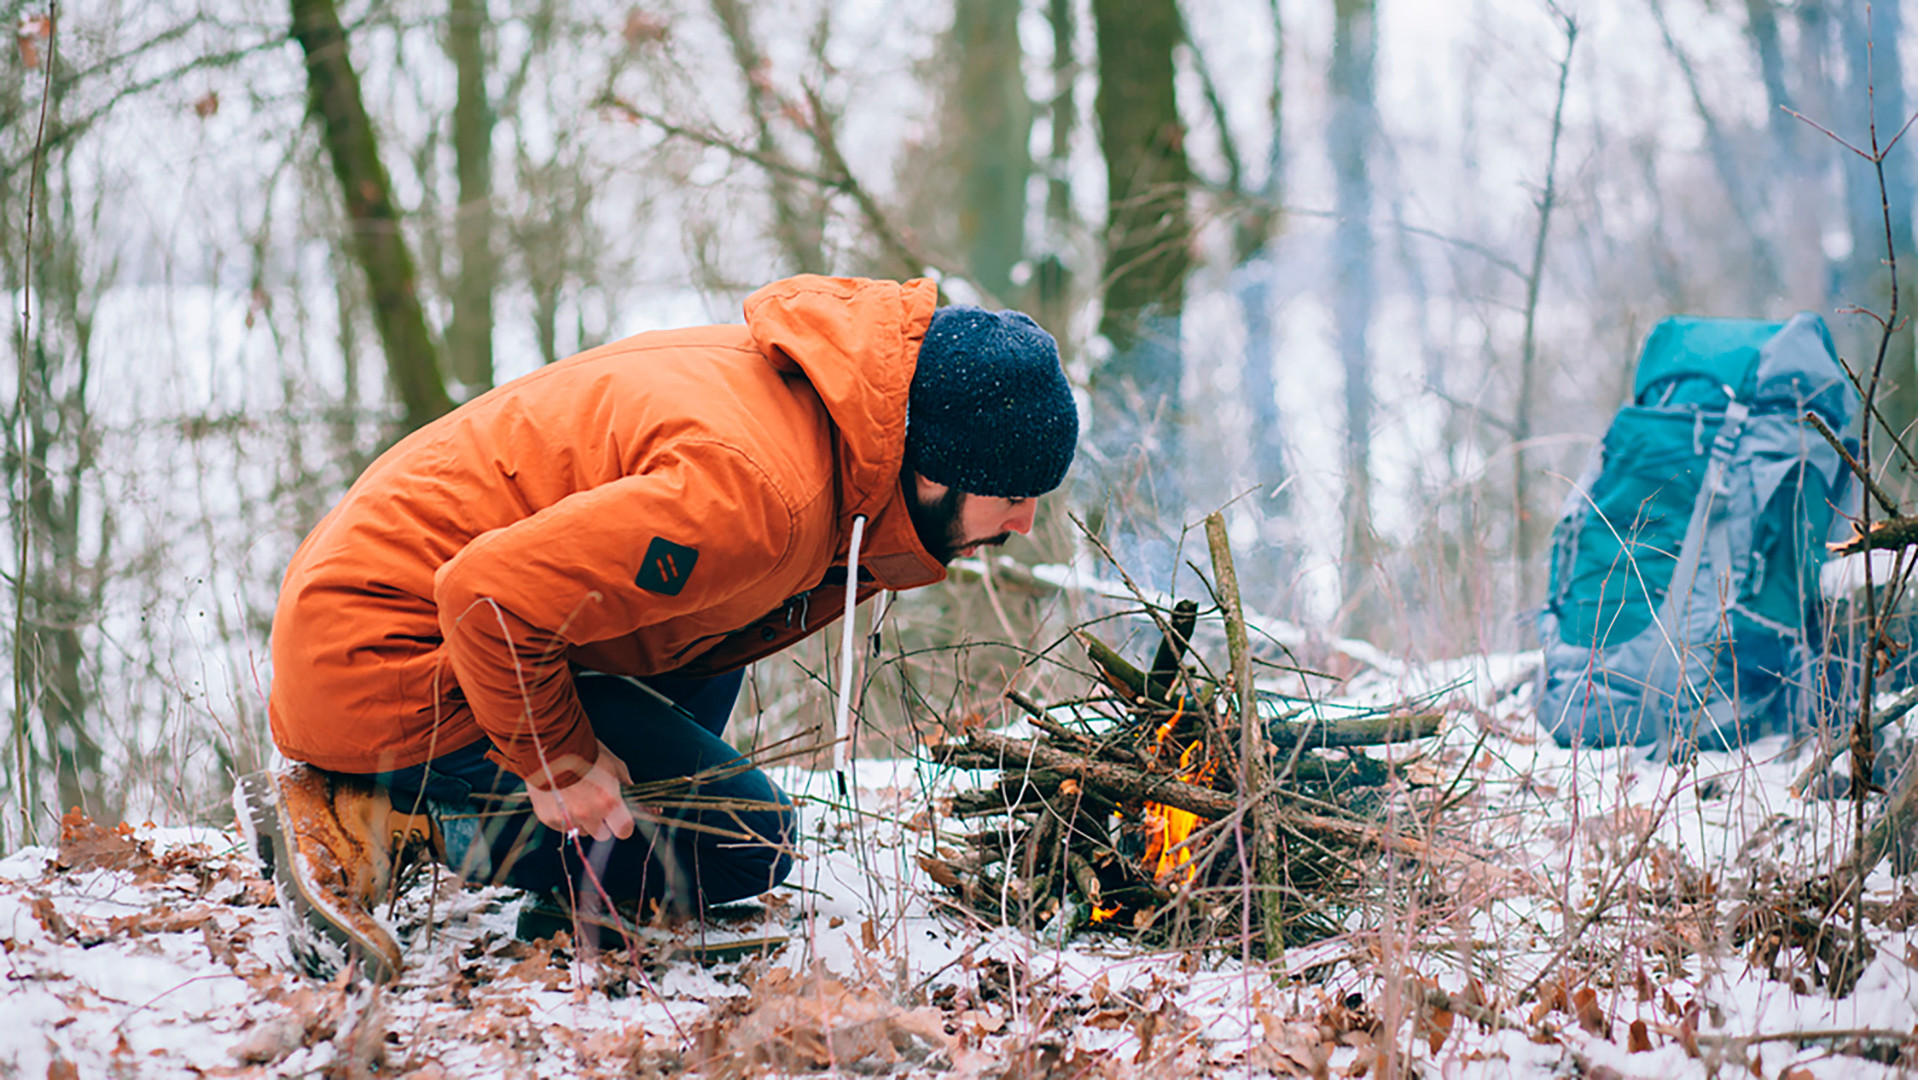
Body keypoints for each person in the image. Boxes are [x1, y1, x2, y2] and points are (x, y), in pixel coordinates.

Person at [234, 275, 1078, 982]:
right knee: (748, 843)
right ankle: (371, 815)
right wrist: (556, 761)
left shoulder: (820, 408)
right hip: (382, 660)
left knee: (723, 620)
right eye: (1011, 496)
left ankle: (580, 872)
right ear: (934, 469)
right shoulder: (763, 497)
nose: (1026, 524)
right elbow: (485, 596)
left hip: (399, 621)